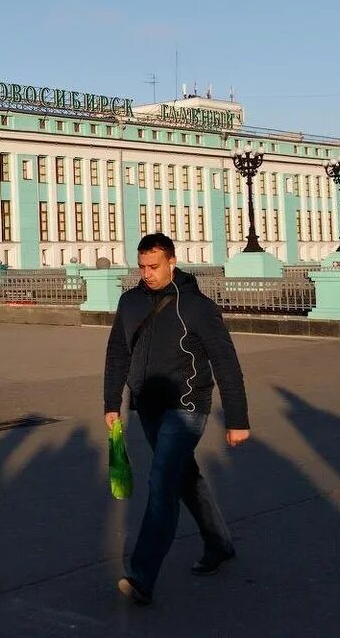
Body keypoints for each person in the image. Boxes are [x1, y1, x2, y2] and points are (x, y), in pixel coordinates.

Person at [103, 233, 249, 606]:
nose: (147, 273)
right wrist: (111, 402)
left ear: (172, 261)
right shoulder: (130, 302)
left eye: (154, 266)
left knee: (161, 481)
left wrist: (237, 419)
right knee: (185, 477)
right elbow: (117, 354)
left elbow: (226, 362)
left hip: (188, 407)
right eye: (142, 266)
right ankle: (218, 544)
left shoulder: (197, 306)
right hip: (147, 409)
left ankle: (142, 575)